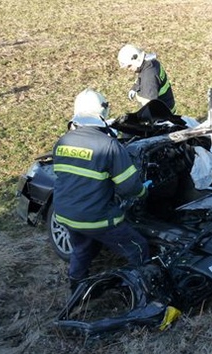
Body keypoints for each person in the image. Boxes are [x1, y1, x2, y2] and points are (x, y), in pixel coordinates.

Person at [52, 88, 151, 291]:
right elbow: (129, 186)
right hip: (96, 217)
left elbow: (70, 178)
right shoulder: (109, 146)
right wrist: (143, 192)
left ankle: (77, 286)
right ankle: (136, 288)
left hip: (65, 213)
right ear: (102, 113)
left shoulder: (62, 142)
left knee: (81, 248)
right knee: (138, 247)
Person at [118, 44, 176, 113]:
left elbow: (150, 106)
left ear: (136, 59)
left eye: (129, 66)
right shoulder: (149, 63)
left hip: (161, 114)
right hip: (167, 104)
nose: (129, 69)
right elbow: (141, 78)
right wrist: (134, 88)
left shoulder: (149, 78)